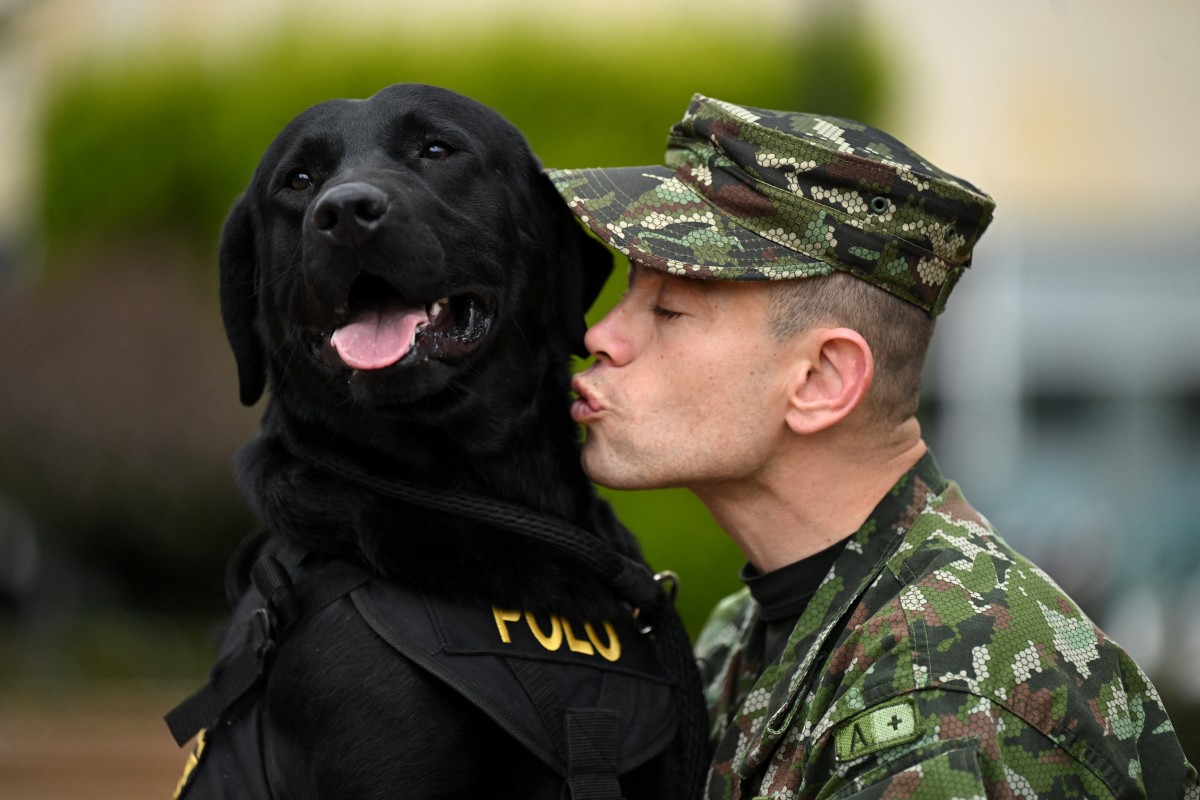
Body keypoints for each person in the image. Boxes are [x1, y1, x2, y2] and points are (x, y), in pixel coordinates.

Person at [549, 94, 1199, 798]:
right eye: (629, 292)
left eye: (668, 310)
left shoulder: (951, 697)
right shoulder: (752, 628)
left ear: (822, 379)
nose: (600, 337)